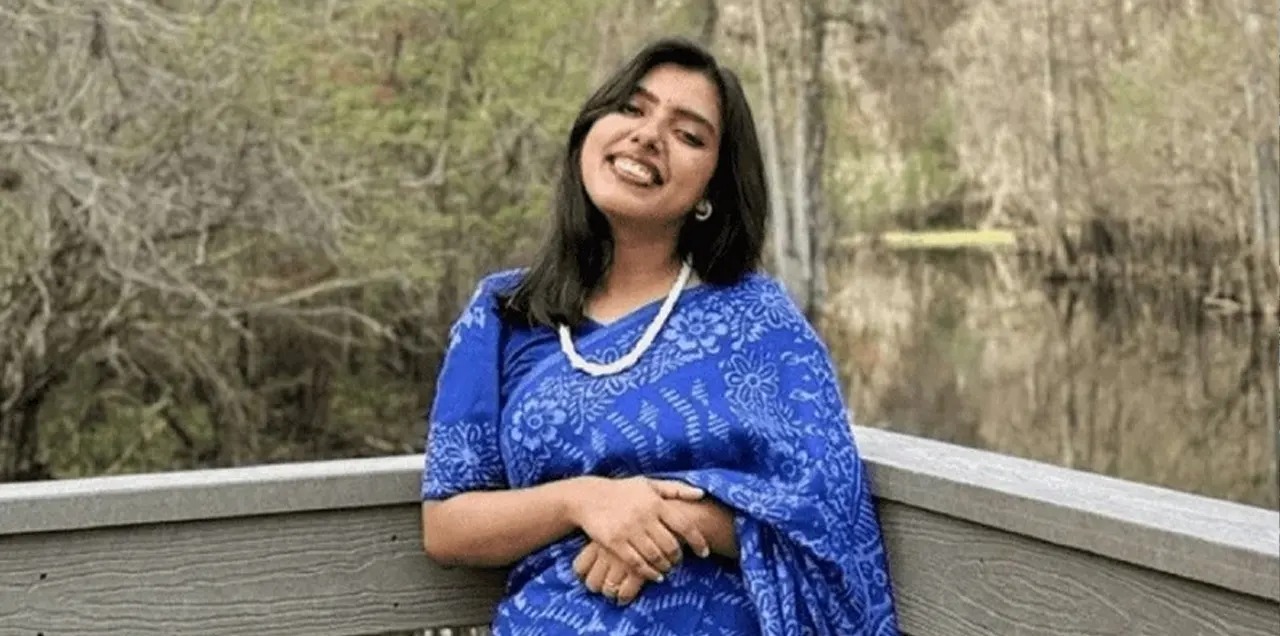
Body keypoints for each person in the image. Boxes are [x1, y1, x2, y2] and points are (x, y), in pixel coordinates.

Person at [419, 36, 900, 635]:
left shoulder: (759, 323)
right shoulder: (503, 314)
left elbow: (830, 519)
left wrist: (666, 520)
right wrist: (585, 501)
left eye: (689, 135)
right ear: (589, 132)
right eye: (632, 108)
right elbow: (448, 525)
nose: (648, 136)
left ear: (711, 191)